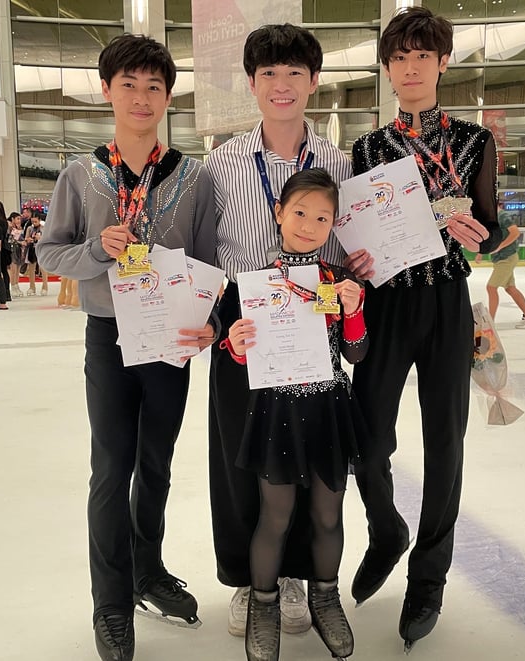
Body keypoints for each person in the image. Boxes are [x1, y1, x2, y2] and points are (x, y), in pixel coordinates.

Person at [37, 33, 217, 661]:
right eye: (129, 85)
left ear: (168, 95)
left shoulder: (193, 176)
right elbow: (48, 251)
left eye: (155, 87)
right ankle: (110, 605)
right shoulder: (82, 174)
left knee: (159, 463)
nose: (142, 98)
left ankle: (148, 569)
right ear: (108, 90)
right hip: (110, 336)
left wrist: (210, 323)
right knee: (113, 469)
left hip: (170, 338)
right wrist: (95, 250)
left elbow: (209, 261)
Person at [345, 7, 501, 651]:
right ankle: (387, 528)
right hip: (385, 305)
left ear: (442, 63)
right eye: (399, 58)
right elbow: (357, 230)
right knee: (365, 440)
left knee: (446, 443)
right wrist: (354, 258)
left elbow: (491, 229)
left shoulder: (475, 141)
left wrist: (480, 236)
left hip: (444, 304)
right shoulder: (369, 147)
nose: (410, 67)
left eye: (422, 56)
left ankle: (429, 576)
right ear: (387, 69)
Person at [205, 23, 353, 638]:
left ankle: (296, 579)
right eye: (269, 73)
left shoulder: (341, 164)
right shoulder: (220, 165)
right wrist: (218, 329)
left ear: (314, 82)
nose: (282, 84)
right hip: (247, 337)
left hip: (314, 348)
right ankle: (250, 581)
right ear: (251, 84)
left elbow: (359, 251)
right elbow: (199, 256)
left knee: (307, 466)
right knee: (243, 468)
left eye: (295, 72)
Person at [223, 169, 366, 661]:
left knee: (328, 514)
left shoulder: (339, 280)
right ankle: (264, 606)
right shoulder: (255, 283)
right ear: (278, 213)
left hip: (328, 408)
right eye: (300, 212)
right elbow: (241, 356)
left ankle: (325, 596)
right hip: (276, 410)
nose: (309, 224)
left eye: (322, 216)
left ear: (334, 223)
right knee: (276, 515)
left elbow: (358, 353)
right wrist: (237, 346)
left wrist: (355, 310)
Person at [475, 209, 525, 328]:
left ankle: (490, 322)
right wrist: (481, 252)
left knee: (491, 287)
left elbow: (515, 232)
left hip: (507, 258)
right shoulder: (492, 218)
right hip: (502, 258)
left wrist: (500, 247)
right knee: (510, 288)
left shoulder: (502, 216)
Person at [23, 211, 48, 296]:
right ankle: (32, 287)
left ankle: (45, 287)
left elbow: (47, 238)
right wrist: (28, 239)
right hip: (32, 249)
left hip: (41, 249)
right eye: (32, 221)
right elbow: (26, 238)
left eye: (35, 221)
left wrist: (40, 238)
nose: (34, 223)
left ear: (39, 220)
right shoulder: (30, 228)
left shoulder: (44, 227)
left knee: (43, 268)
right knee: (31, 268)